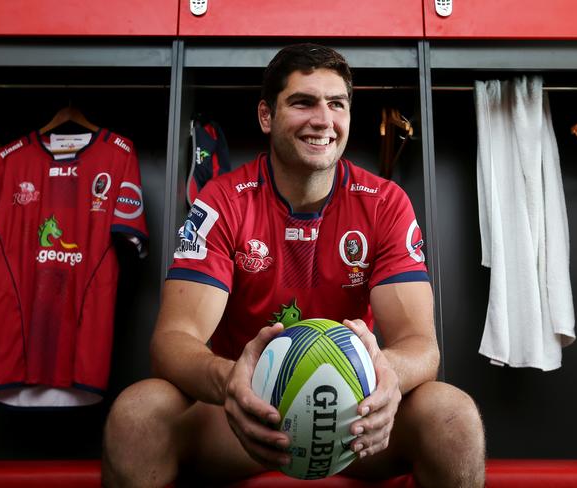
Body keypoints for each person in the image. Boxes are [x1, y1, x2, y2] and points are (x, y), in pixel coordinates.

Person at [103, 43, 485, 488]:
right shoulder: (223, 201)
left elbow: (421, 345)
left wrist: (387, 375)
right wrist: (230, 381)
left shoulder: (385, 203)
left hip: (352, 419)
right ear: (267, 115)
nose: (322, 120)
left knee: (454, 416)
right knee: (136, 414)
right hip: (247, 418)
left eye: (336, 104)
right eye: (303, 102)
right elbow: (172, 340)